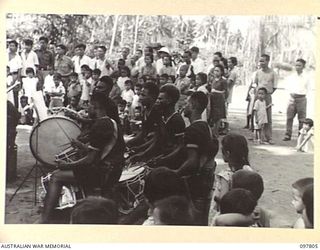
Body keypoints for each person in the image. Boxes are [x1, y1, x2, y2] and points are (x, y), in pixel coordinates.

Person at [40, 91, 125, 223]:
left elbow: (90, 160)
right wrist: (80, 145)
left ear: (95, 105)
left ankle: (44, 219)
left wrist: (65, 165)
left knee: (56, 176)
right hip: (112, 169)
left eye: (89, 105)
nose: (87, 108)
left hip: (105, 172)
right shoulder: (110, 121)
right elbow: (101, 151)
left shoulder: (101, 124)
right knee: (69, 171)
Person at [174, 91, 219, 225]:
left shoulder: (193, 130)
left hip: (195, 183)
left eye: (187, 102)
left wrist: (175, 174)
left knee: (192, 218)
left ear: (193, 105)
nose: (185, 105)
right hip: (206, 179)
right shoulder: (205, 126)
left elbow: (192, 161)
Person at [131, 84, 185, 163]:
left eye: (160, 99)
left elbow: (179, 147)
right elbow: (157, 141)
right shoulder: (162, 118)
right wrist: (142, 154)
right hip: (160, 156)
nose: (157, 101)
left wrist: (162, 160)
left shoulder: (177, 120)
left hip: (170, 160)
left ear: (169, 101)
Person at [208, 133, 253, 225]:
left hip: (225, 217)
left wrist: (215, 196)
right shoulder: (249, 171)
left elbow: (224, 200)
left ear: (227, 153)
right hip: (244, 214)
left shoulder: (226, 175)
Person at [283, 59, 311, 141]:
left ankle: (300, 135)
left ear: (303, 67)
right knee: (289, 117)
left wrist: (302, 96)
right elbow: (287, 87)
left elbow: (308, 88)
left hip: (301, 98)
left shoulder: (306, 77)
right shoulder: (291, 77)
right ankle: (288, 134)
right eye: (296, 65)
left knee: (302, 119)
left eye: (299, 65)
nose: (297, 67)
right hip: (292, 98)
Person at [126, 82, 159, 149]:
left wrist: (140, 148)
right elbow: (143, 132)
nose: (140, 97)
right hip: (146, 142)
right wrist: (129, 142)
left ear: (152, 97)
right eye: (140, 94)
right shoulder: (145, 110)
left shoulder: (157, 112)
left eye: (143, 95)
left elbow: (157, 138)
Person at [254, 54, 277, 144]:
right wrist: (258, 94)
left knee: (267, 116)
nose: (261, 63)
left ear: (268, 61)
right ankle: (258, 137)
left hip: (267, 96)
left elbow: (274, 87)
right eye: (260, 61)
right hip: (258, 95)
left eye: (263, 61)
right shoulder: (258, 72)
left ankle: (268, 137)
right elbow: (255, 83)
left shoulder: (272, 73)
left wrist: (267, 94)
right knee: (257, 115)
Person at [208, 64, 228, 137]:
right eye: (215, 70)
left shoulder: (223, 81)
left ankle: (216, 132)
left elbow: (225, 91)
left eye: (217, 71)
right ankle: (212, 131)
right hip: (212, 100)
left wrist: (216, 91)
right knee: (212, 115)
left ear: (221, 72)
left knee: (218, 117)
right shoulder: (212, 80)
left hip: (219, 100)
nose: (216, 72)